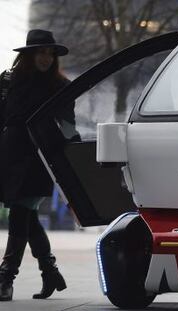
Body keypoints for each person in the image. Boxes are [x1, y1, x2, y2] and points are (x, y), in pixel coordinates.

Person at [0, 29, 76, 301]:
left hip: (38, 160)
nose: (46, 57)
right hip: (8, 157)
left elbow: (69, 127)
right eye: (40, 52)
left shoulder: (61, 87)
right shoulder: (7, 81)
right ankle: (50, 271)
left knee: (21, 215)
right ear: (28, 54)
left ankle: (6, 278)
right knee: (27, 217)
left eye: (50, 53)